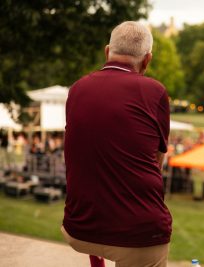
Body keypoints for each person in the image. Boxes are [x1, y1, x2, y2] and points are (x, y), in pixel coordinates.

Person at [62, 21, 172, 267]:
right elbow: (156, 162)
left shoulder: (77, 89)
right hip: (138, 235)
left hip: (79, 227)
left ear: (107, 51)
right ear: (147, 60)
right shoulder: (154, 92)